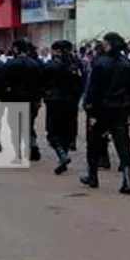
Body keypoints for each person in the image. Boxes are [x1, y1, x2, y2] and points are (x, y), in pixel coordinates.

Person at [80, 32, 130, 193]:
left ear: (109, 44)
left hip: (101, 109)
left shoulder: (100, 63)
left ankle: (93, 177)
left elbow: (93, 88)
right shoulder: (127, 63)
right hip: (121, 109)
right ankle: (127, 179)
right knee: (122, 142)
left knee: (94, 142)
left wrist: (89, 106)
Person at [39, 39, 83, 174]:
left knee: (52, 131)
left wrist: (45, 96)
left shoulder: (51, 66)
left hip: (54, 101)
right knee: (66, 131)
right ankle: (63, 155)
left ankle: (62, 155)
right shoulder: (76, 65)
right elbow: (81, 83)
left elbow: (42, 83)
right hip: (70, 102)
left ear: (57, 51)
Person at [1, 40, 44, 162]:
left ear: (16, 49)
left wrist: (4, 98)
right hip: (31, 99)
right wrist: (38, 99)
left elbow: (3, 82)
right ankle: (33, 146)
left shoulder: (10, 64)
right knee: (29, 123)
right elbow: (40, 84)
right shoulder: (34, 64)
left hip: (15, 99)